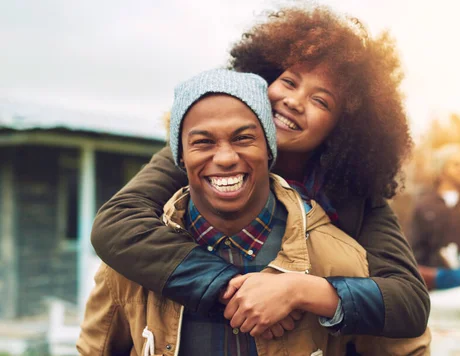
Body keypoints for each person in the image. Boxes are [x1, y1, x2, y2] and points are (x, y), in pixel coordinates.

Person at [89, 5, 428, 342]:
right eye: (289, 82)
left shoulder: (356, 196)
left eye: (320, 101)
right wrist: (228, 287)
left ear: (346, 127)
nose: (295, 101)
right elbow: (117, 224)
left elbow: (409, 302)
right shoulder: (206, 156)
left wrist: (301, 291)